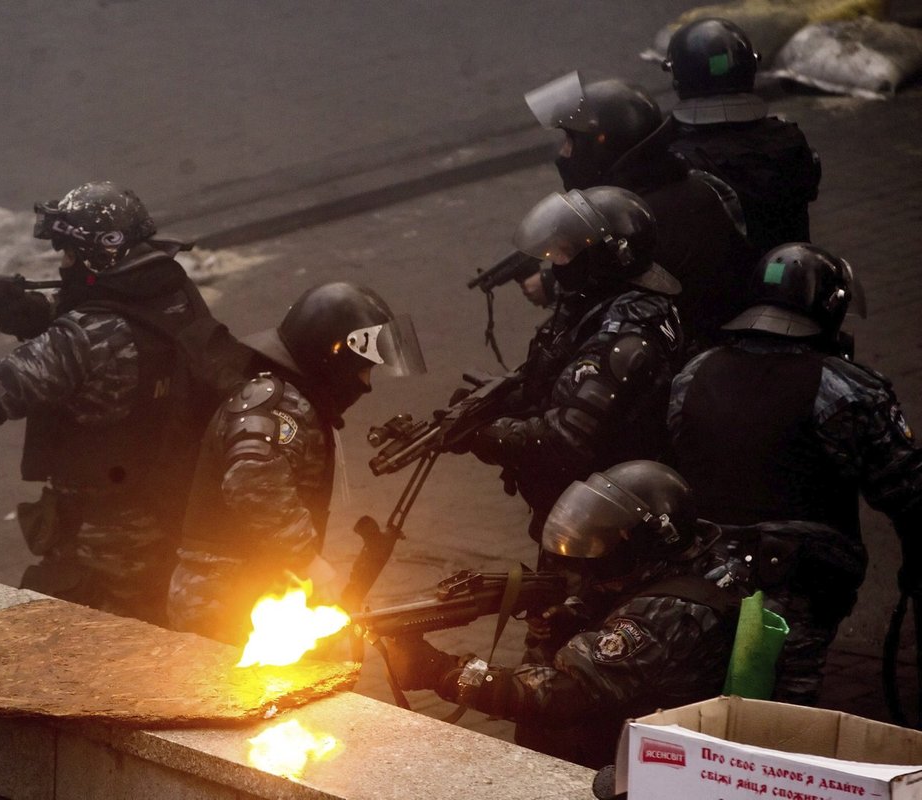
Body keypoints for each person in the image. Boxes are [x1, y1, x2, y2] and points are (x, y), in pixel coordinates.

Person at [0, 180, 251, 624]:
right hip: (170, 508)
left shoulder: (83, 337)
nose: (62, 264)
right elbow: (122, 340)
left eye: (68, 253)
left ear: (98, 254)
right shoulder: (172, 292)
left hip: (106, 541)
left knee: (98, 651)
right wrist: (42, 315)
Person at [667, 242, 922, 705]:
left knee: (696, 703)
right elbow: (906, 488)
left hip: (697, 580)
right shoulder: (844, 387)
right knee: (779, 720)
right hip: (795, 590)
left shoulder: (695, 372)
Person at [380, 460, 744, 769]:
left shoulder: (666, 613)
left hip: (642, 764)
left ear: (647, 544)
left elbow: (560, 695)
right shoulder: (689, 559)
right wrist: (572, 617)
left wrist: (442, 670)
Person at [166, 282, 426, 645]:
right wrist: (308, 562)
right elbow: (251, 479)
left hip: (247, 590)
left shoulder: (293, 399)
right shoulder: (276, 404)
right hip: (221, 599)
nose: (366, 384)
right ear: (332, 359)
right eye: (363, 369)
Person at [463, 185, 684, 545]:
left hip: (608, 530)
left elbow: (565, 445)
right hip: (590, 511)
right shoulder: (603, 305)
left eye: (567, 252)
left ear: (602, 260)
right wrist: (499, 397)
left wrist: (485, 434)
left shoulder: (621, 336)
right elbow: (558, 382)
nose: (555, 262)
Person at [521, 70, 758, 349]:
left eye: (572, 141)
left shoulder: (632, 225)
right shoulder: (698, 186)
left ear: (601, 148)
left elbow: (599, 316)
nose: (563, 153)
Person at [664, 17, 822, 258]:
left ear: (679, 77)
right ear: (749, 67)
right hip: (787, 276)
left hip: (725, 291)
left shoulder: (680, 161)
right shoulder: (789, 139)